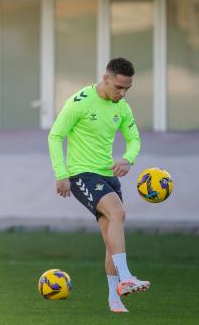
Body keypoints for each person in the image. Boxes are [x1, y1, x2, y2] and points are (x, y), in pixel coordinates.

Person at [47, 57, 148, 314]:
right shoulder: (79, 102)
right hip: (82, 174)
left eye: (127, 89)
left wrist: (127, 158)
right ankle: (126, 276)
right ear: (105, 78)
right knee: (118, 214)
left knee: (110, 237)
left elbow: (134, 139)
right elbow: (55, 135)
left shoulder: (122, 108)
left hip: (109, 176)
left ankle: (115, 299)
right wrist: (62, 174)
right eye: (118, 87)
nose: (122, 93)